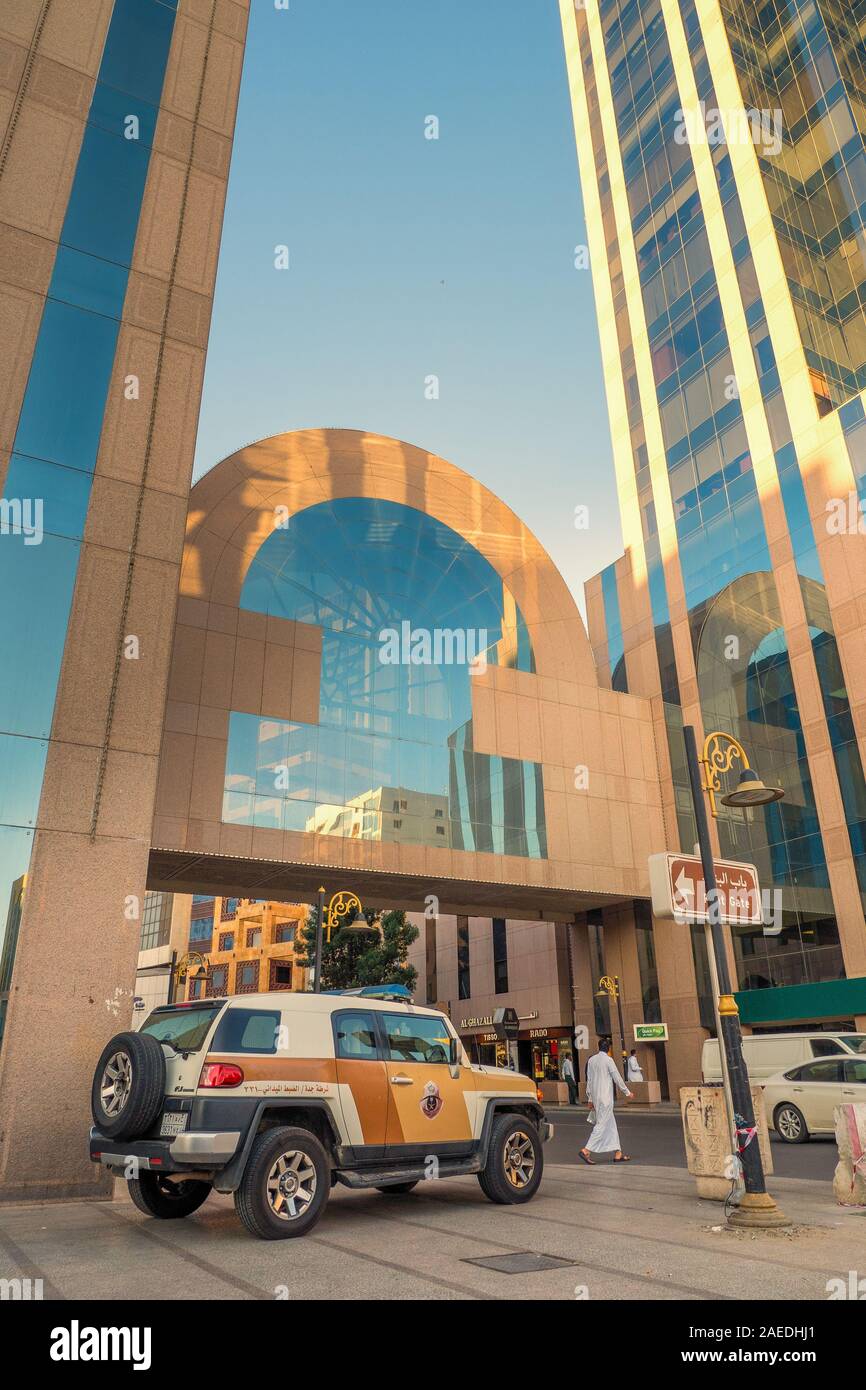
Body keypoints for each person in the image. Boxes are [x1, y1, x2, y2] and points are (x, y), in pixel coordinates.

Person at [580, 1038, 632, 1164]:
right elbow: (617, 1077)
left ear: (598, 1047)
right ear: (608, 1048)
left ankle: (618, 1153)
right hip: (606, 1099)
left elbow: (589, 1081)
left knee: (611, 1124)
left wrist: (590, 1098)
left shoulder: (591, 1060)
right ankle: (586, 1150)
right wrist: (627, 1092)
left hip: (596, 1098)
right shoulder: (609, 1060)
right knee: (602, 1124)